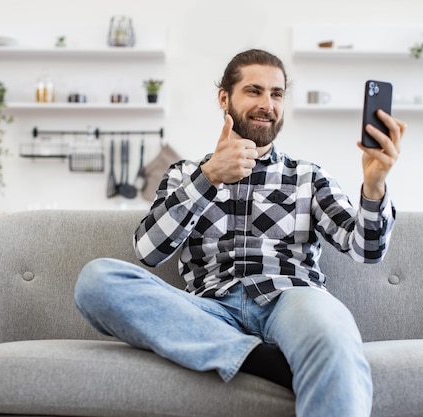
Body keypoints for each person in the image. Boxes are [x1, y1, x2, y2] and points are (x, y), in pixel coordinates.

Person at [75, 48, 405, 417]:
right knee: (96, 280)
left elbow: (366, 251)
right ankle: (259, 360)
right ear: (224, 98)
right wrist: (209, 177)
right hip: (209, 308)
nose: (267, 104)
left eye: (276, 94)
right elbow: (148, 252)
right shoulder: (185, 174)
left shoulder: (309, 176)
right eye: (254, 91)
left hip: (291, 299)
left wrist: (374, 187)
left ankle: (243, 353)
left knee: (332, 328)